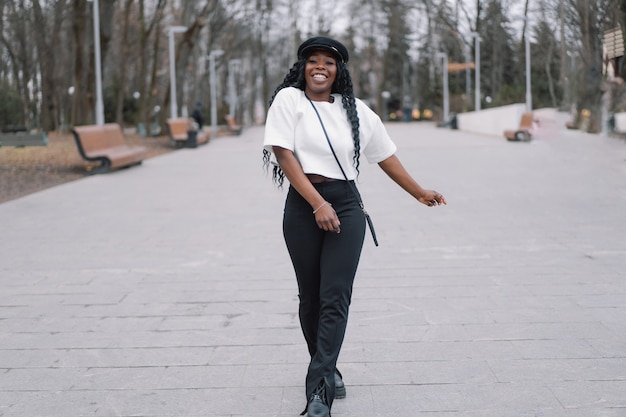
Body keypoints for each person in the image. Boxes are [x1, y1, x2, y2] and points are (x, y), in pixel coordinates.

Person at [262, 36, 446, 417]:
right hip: (303, 205)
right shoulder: (288, 101)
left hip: (346, 206)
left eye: (328, 63)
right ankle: (327, 366)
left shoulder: (355, 110)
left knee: (335, 296)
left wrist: (417, 192)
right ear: (302, 67)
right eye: (313, 61)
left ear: (338, 70)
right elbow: (283, 153)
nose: (320, 67)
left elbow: (385, 155)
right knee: (310, 297)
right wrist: (317, 202)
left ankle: (319, 393)